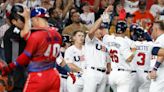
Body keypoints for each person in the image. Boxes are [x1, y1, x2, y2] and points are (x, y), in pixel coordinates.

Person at [0, 7, 76, 92]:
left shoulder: (36, 35)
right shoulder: (56, 34)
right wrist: (70, 71)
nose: (29, 23)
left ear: (36, 19)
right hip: (52, 75)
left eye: (31, 21)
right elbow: (59, 58)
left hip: (37, 75)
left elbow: (25, 56)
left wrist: (9, 67)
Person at [82, 6, 111, 92]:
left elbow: (108, 60)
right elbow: (91, 31)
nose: (100, 31)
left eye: (101, 29)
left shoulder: (105, 44)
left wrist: (108, 69)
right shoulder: (90, 40)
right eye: (98, 29)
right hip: (91, 72)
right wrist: (103, 16)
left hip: (103, 73)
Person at [103, 21, 136, 92]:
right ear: (125, 30)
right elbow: (129, 59)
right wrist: (134, 51)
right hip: (122, 74)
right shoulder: (123, 42)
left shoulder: (107, 38)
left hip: (111, 74)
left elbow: (105, 34)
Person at [149, 21, 164, 92]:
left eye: (152, 29)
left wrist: (155, 69)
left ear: (156, 29)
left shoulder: (162, 38)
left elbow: (157, 52)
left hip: (160, 71)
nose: (152, 31)